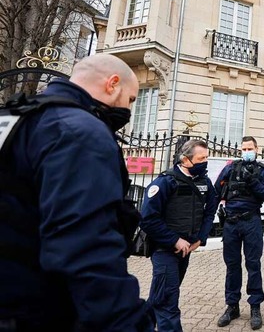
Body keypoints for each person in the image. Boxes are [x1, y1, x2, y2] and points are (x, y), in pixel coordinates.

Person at [0, 53, 152, 331]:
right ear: (112, 84)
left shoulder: (14, 118)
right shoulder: (79, 131)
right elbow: (85, 245)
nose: (129, 110)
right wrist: (127, 322)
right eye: (131, 99)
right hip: (35, 309)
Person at [140, 139, 219, 331]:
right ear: (185, 160)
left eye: (207, 158)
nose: (205, 162)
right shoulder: (165, 181)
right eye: (201, 158)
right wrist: (175, 240)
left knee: (160, 296)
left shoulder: (204, 182)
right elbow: (148, 219)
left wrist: (200, 237)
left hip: (186, 250)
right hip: (164, 250)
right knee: (168, 302)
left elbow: (211, 208)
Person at [214, 136, 264, 330]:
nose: (246, 151)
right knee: (232, 266)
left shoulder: (263, 171)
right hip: (231, 222)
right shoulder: (231, 168)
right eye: (244, 148)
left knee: (253, 264)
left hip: (251, 222)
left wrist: (253, 181)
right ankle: (232, 306)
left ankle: (255, 307)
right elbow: (216, 190)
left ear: (257, 149)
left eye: (250, 148)